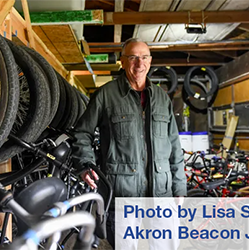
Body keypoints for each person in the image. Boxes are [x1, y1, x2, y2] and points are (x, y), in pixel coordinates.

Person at [71, 38, 186, 249]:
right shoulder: (106, 95)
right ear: (122, 62)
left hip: (161, 194)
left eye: (144, 57)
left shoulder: (162, 98)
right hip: (122, 196)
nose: (139, 63)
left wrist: (179, 188)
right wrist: (85, 164)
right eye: (133, 57)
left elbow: (174, 145)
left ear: (150, 62)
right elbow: (82, 133)